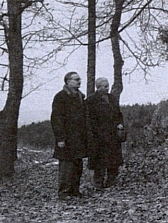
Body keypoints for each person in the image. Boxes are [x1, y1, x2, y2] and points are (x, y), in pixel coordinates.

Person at [50, 71, 88, 200]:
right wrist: (60, 138)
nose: (79, 81)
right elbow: (56, 119)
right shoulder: (60, 97)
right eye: (76, 79)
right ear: (68, 81)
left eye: (79, 79)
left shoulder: (80, 97)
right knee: (66, 166)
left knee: (78, 165)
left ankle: (74, 190)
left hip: (79, 138)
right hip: (67, 138)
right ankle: (64, 192)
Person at [87, 77, 124, 189]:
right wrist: (95, 133)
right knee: (99, 161)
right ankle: (98, 183)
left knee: (113, 160)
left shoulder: (112, 99)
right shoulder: (91, 100)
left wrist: (120, 124)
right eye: (105, 86)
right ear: (98, 87)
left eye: (108, 85)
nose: (108, 88)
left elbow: (118, 114)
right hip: (98, 136)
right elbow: (89, 119)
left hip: (113, 135)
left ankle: (111, 182)